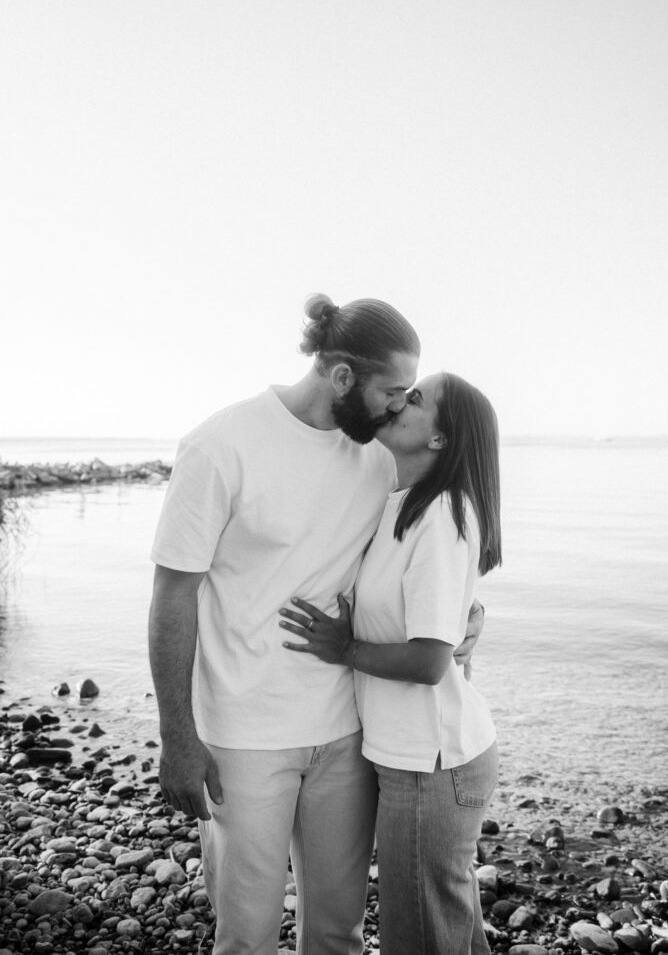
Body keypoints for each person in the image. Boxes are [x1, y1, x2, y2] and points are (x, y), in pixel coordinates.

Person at [148, 295, 484, 955]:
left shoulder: (380, 459)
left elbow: (426, 556)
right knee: (246, 936)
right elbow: (172, 596)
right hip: (245, 736)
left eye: (409, 395)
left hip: (347, 733)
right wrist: (177, 735)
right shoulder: (220, 446)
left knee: (338, 934)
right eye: (392, 392)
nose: (398, 407)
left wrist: (466, 618)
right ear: (342, 376)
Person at [280, 371, 501, 955]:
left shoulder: (443, 515)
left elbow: (429, 661)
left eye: (417, 399)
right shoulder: (400, 502)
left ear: (439, 439)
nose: (400, 402)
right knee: (449, 933)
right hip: (411, 756)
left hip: (433, 763)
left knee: (420, 937)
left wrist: (344, 650)